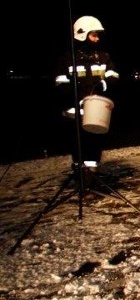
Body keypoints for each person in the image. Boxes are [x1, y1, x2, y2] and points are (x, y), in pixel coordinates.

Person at [54, 15, 120, 189]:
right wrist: (78, 93)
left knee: (94, 149)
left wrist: (102, 85)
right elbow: (60, 84)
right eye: (94, 35)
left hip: (97, 114)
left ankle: (91, 182)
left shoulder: (104, 56)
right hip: (74, 114)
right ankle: (80, 180)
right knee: (77, 150)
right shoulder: (67, 59)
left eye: (98, 35)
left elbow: (114, 76)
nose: (97, 38)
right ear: (82, 34)